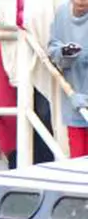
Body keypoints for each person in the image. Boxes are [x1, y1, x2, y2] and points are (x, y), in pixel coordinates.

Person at [50, 0, 88, 158]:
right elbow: (52, 48)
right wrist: (65, 52)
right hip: (75, 103)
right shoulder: (62, 13)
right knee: (78, 162)